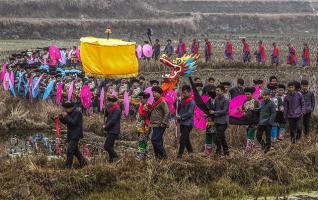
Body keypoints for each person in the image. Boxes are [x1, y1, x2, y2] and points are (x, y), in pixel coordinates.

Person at [58, 102, 86, 169]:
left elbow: (73, 123)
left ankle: (68, 167)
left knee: (70, 150)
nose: (64, 110)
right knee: (76, 151)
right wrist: (60, 117)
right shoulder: (69, 112)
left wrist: (66, 116)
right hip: (71, 134)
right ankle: (84, 163)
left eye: (65, 109)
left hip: (76, 134)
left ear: (70, 108)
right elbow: (65, 121)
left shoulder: (77, 112)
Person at [150, 86, 169, 159]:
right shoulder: (154, 101)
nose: (153, 94)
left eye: (155, 92)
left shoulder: (162, 101)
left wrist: (163, 122)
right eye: (153, 92)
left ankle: (164, 155)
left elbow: (167, 112)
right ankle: (158, 157)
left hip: (160, 124)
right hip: (155, 124)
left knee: (154, 139)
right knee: (158, 141)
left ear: (160, 93)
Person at [176, 85, 195, 158]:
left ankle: (179, 155)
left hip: (188, 123)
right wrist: (176, 101)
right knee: (186, 139)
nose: (183, 94)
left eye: (185, 93)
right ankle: (191, 153)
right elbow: (178, 108)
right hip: (182, 122)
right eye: (182, 93)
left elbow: (190, 113)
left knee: (182, 139)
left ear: (189, 92)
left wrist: (180, 116)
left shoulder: (192, 102)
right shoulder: (182, 100)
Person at [209, 85, 229, 156]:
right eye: (216, 90)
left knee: (219, 136)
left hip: (223, 122)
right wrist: (211, 101)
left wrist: (214, 112)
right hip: (216, 120)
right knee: (217, 137)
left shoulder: (226, 100)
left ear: (222, 91)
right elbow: (214, 108)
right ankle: (225, 151)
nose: (216, 92)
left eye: (218, 90)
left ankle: (219, 150)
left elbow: (224, 111)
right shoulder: (216, 99)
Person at [240, 87, 260, 151]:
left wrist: (258, 121)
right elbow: (243, 110)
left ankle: (248, 147)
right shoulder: (245, 101)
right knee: (249, 133)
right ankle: (253, 147)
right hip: (247, 121)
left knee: (250, 133)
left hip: (254, 120)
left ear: (252, 94)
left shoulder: (256, 101)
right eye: (246, 94)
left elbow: (260, 110)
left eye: (248, 94)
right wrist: (240, 110)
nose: (247, 96)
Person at [256, 89, 276, 153]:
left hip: (268, 123)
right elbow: (260, 109)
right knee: (258, 136)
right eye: (264, 95)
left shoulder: (272, 104)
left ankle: (267, 149)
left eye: (266, 95)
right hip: (261, 123)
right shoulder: (262, 102)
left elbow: (273, 113)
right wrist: (253, 109)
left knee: (268, 137)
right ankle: (263, 144)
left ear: (269, 95)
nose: (265, 96)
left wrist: (270, 122)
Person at [103, 96, 121, 162]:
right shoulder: (112, 108)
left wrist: (106, 126)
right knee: (110, 146)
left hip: (113, 130)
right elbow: (107, 115)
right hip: (111, 130)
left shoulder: (117, 110)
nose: (109, 103)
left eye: (110, 101)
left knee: (107, 146)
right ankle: (111, 160)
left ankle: (116, 156)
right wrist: (104, 110)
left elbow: (113, 120)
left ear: (114, 102)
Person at [136, 92, 151, 159]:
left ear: (145, 99)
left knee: (143, 139)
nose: (140, 100)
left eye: (141, 98)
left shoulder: (147, 106)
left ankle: (141, 154)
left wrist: (145, 113)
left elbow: (145, 116)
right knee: (141, 139)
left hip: (145, 125)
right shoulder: (141, 105)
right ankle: (143, 153)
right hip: (141, 125)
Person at [203, 88, 217, 157]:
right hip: (209, 120)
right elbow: (206, 110)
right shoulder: (208, 101)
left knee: (215, 136)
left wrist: (213, 112)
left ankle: (217, 150)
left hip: (216, 120)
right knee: (208, 135)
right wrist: (206, 114)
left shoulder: (217, 101)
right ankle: (207, 151)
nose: (208, 96)